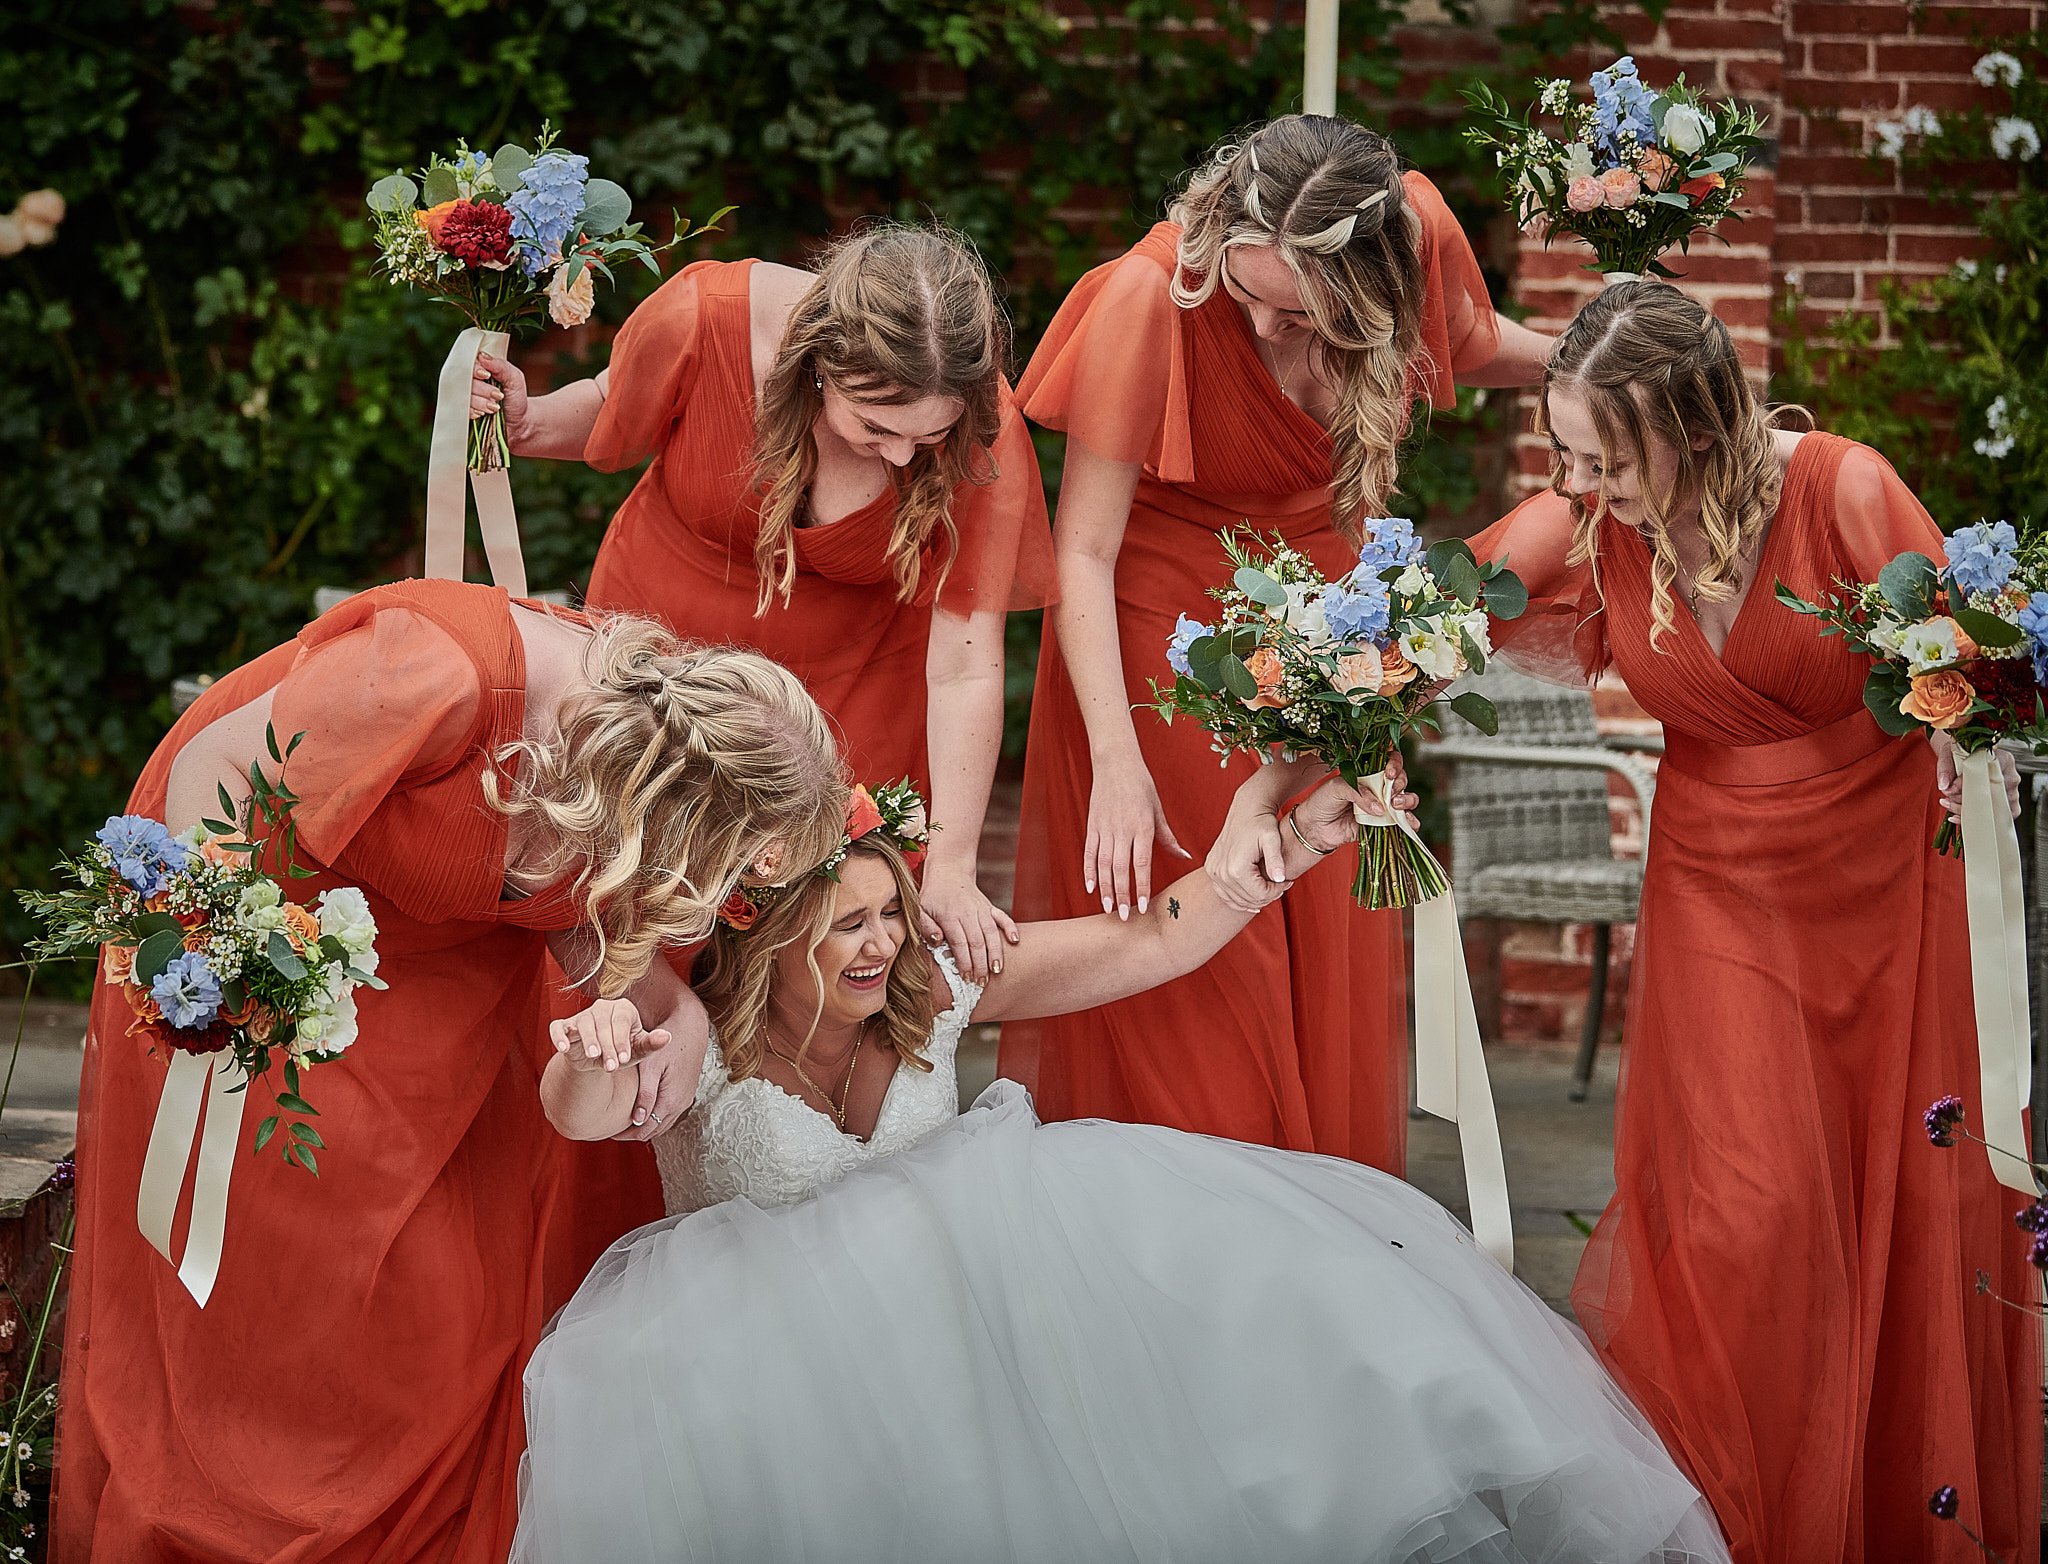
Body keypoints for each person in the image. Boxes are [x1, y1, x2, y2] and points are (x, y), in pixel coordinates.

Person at [515, 774, 1731, 1564]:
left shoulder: (932, 988)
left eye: (890, 910)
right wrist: (591, 1043)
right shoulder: (694, 1041)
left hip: (976, 1336)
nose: (884, 941)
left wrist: (1279, 847)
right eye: (850, 923)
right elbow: (583, 1114)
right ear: (770, 927)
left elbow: (1151, 938)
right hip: (773, 1376)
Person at [1415, 280, 2036, 1563]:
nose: (1581, 486)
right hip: (1711, 885)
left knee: (1881, 1197)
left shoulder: (1841, 489)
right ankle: (1733, 1517)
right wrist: (1349, 718)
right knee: (1736, 1214)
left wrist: (1963, 723)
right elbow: (1423, 625)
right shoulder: (1587, 520)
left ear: (1691, 428)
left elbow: (1976, 663)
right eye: (1565, 455)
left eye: (1605, 459)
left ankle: (1868, 1506)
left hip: (1877, 889)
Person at [54, 580, 847, 1564]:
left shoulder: (623, 766)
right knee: (289, 1288)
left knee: (448, 1302)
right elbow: (213, 768)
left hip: (441, 982)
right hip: (262, 909)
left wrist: (672, 1011)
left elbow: (572, 907)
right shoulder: (435, 678)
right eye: (728, 868)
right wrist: (232, 963)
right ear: (672, 806)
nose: (719, 896)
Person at [1003, 113, 1552, 1166]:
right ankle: (1203, 1221)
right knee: (1216, 955)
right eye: (1244, 291)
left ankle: (1313, 1218)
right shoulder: (1150, 295)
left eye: (1296, 312)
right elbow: (1082, 552)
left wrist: (1602, 358)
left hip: (1329, 636)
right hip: (1167, 653)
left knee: (1322, 910)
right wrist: (1114, 760)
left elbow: (1469, 343)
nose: (1259, 325)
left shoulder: (1415, 228)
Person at [473, 222, 1053, 979]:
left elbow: (966, 665)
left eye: (928, 436)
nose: (902, 455)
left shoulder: (980, 422)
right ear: (818, 364)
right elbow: (613, 402)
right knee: (633, 915)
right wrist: (528, 422)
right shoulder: (706, 317)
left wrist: (954, 865)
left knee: (815, 946)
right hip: (665, 667)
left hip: (852, 691)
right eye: (876, 426)